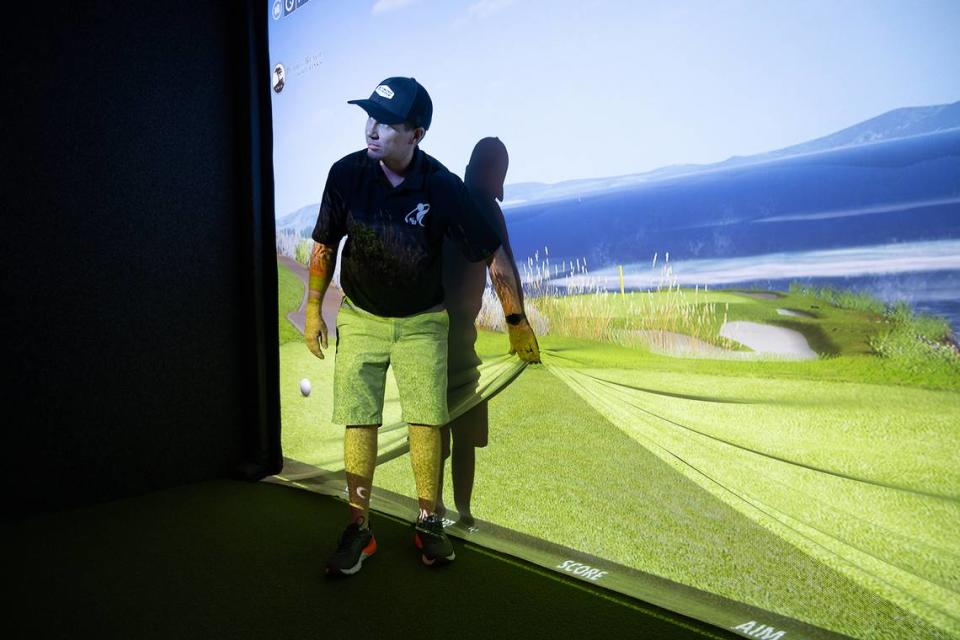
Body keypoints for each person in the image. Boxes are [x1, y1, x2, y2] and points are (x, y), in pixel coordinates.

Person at [304, 77, 540, 576]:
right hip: (362, 317)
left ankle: (429, 523)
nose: (371, 129)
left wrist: (517, 323)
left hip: (422, 325)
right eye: (369, 116)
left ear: (417, 133)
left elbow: (491, 250)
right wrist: (311, 309)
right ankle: (358, 528)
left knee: (427, 420)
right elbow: (325, 243)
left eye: (386, 122)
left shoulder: (442, 185)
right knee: (359, 418)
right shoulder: (346, 174)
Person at [437, 137, 527, 529]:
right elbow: (502, 268)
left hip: (441, 336)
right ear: (491, 174)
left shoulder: (450, 198)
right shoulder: (482, 209)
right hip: (447, 340)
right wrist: (518, 327)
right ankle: (455, 512)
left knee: (447, 424)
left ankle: (447, 510)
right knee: (456, 426)